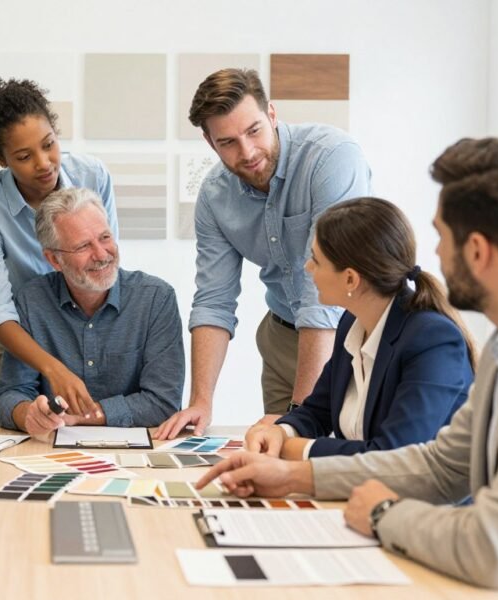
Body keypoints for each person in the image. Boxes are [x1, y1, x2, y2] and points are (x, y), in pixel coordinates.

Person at [196, 137, 498, 598]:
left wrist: (382, 515)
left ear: (477, 251)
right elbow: (442, 465)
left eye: (441, 236)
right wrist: (292, 476)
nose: (433, 255)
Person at [158, 68, 372, 439]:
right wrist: (201, 402)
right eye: (227, 142)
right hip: (282, 338)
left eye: (254, 131)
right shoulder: (214, 196)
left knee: (339, 457)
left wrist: (298, 419)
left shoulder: (332, 158)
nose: (248, 152)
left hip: (353, 336)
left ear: (271, 114)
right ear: (210, 143)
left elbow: (319, 295)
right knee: (281, 471)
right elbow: (213, 300)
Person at [244, 197, 475, 459]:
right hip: (363, 492)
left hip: (425, 499)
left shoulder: (433, 341)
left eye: (316, 260)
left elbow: (395, 454)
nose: (307, 268)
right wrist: (282, 432)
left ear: (351, 279)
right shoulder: (352, 323)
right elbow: (318, 411)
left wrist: (301, 450)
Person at [0, 78, 118, 425]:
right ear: (1, 159)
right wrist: (52, 367)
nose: (44, 163)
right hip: (14, 341)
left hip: (85, 329)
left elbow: (106, 262)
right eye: (23, 156)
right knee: (8, 444)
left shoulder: (93, 176)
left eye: (49, 144)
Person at [0, 187, 184, 435]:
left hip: (138, 452)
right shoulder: (31, 301)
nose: (101, 254)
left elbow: (164, 403)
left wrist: (83, 417)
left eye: (105, 237)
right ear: (54, 260)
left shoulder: (156, 299)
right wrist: (29, 414)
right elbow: (9, 395)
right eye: (83, 246)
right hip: (52, 451)